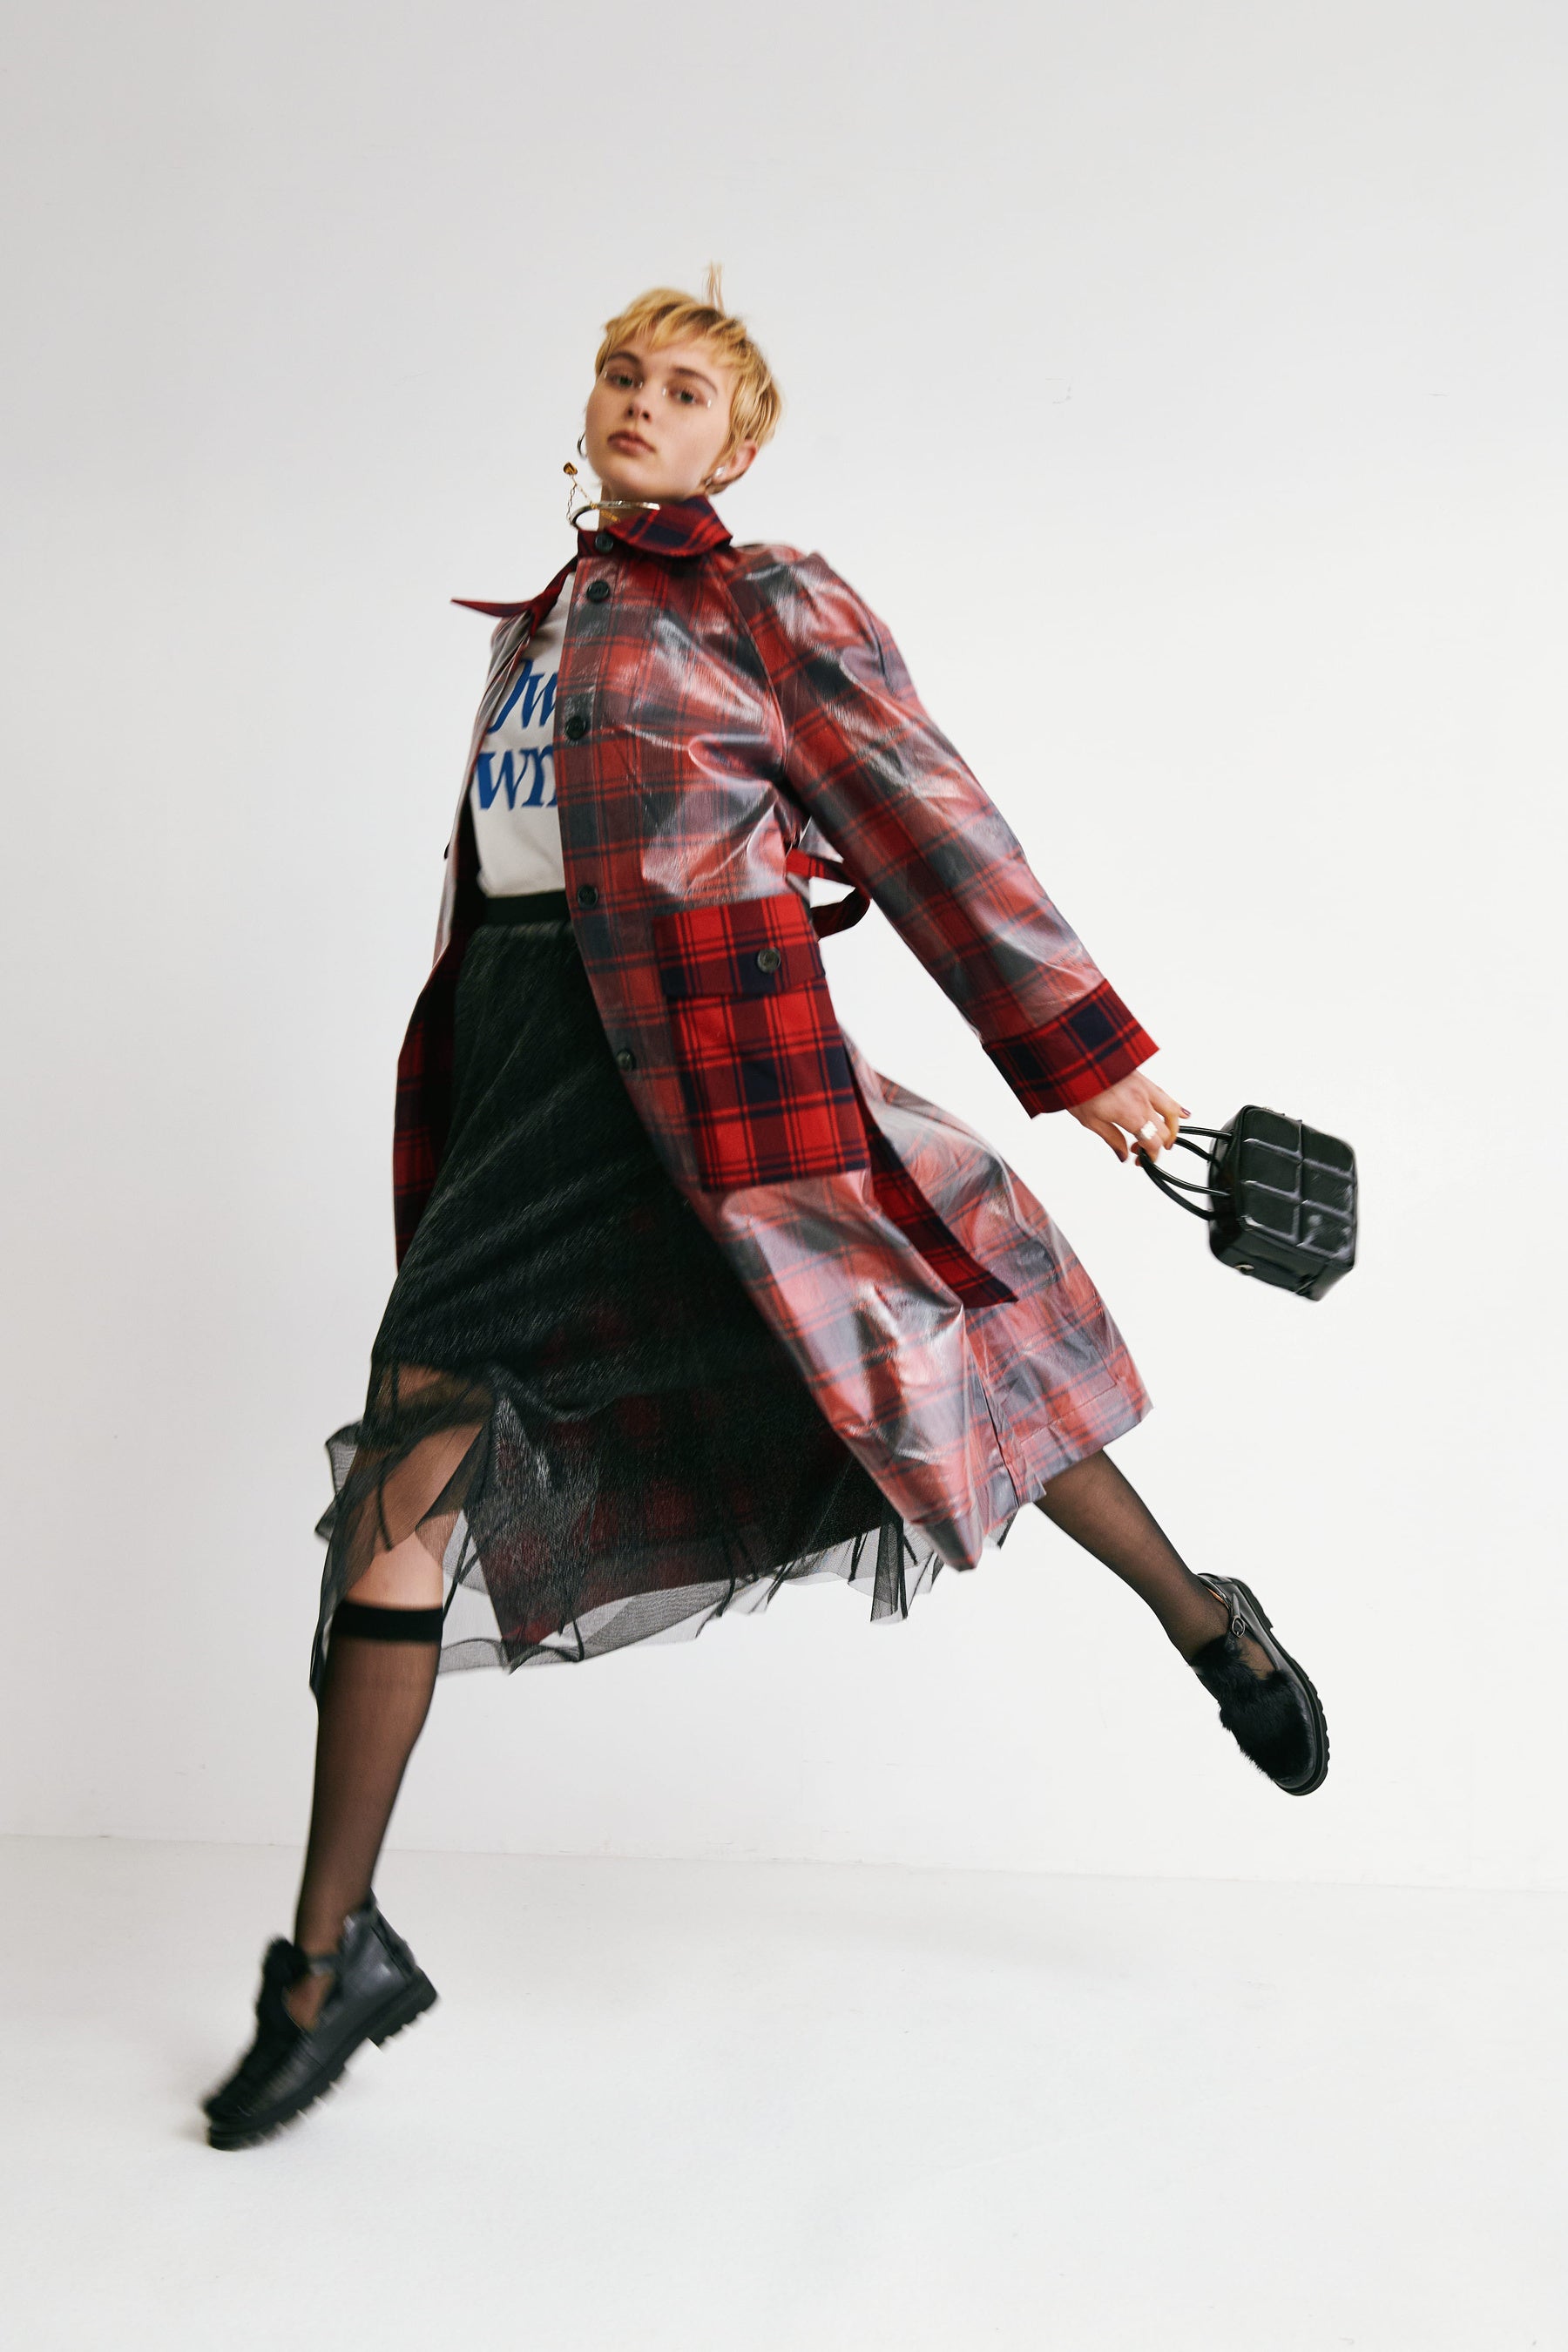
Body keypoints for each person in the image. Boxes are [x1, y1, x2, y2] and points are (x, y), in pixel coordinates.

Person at [201, 274, 1328, 2153]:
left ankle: (1210, 1624)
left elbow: (924, 817)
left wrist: (1093, 1062)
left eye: (686, 387)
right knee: (403, 1472)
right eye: (621, 374)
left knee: (939, 1360)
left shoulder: (768, 601)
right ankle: (329, 1961)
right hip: (533, 1100)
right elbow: (513, 899)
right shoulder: (539, 629)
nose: (642, 402)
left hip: (735, 1092)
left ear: (739, 446)